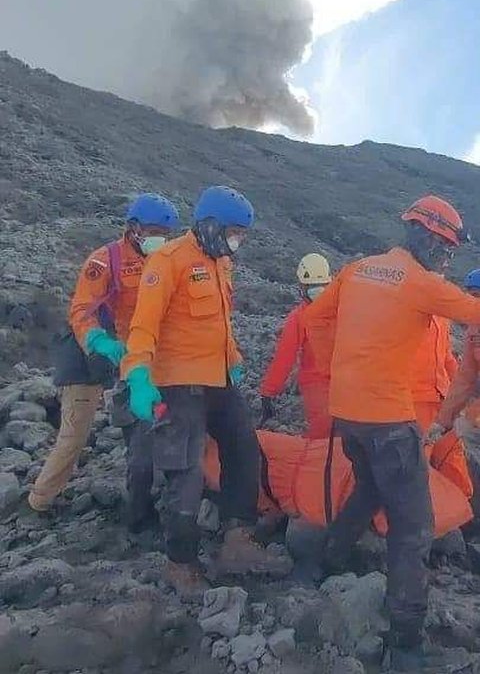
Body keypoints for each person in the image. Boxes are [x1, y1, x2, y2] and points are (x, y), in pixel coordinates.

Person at [304, 195, 480, 671]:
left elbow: (314, 318)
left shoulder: (356, 270)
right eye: (445, 249)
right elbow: (475, 313)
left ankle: (325, 562)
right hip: (390, 422)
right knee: (412, 528)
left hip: (349, 414)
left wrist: (337, 369)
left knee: (367, 490)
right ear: (428, 237)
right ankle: (405, 643)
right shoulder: (422, 285)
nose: (445, 259)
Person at [121, 185, 291, 597]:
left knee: (244, 450)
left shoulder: (220, 263)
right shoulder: (168, 260)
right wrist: (138, 376)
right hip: (178, 383)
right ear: (211, 225)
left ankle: (237, 541)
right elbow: (144, 324)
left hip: (218, 379)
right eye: (234, 233)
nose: (238, 242)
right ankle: (180, 562)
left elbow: (221, 320)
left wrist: (233, 356)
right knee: (185, 470)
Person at [28, 193, 179, 512]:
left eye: (164, 234)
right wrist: (99, 342)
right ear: (134, 228)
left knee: (149, 423)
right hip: (90, 356)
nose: (159, 239)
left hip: (134, 354)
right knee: (75, 435)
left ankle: (143, 492)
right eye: (152, 231)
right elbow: (82, 310)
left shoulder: (163, 261)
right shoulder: (105, 260)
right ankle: (38, 503)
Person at [259, 253, 335, 438]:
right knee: (332, 434)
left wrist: (267, 394)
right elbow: (285, 358)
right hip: (334, 382)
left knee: (328, 434)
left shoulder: (301, 316)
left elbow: (284, 359)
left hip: (329, 383)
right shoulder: (342, 307)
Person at [412, 316, 472, 498]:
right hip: (414, 405)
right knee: (417, 467)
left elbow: (447, 359)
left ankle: (462, 510)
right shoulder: (401, 312)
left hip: (444, 404)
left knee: (453, 460)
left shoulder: (440, 317)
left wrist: (461, 396)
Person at [425, 268, 480, 444]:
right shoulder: (474, 330)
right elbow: (465, 379)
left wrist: (471, 416)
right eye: (470, 296)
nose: (474, 303)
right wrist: (443, 422)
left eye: (477, 296)